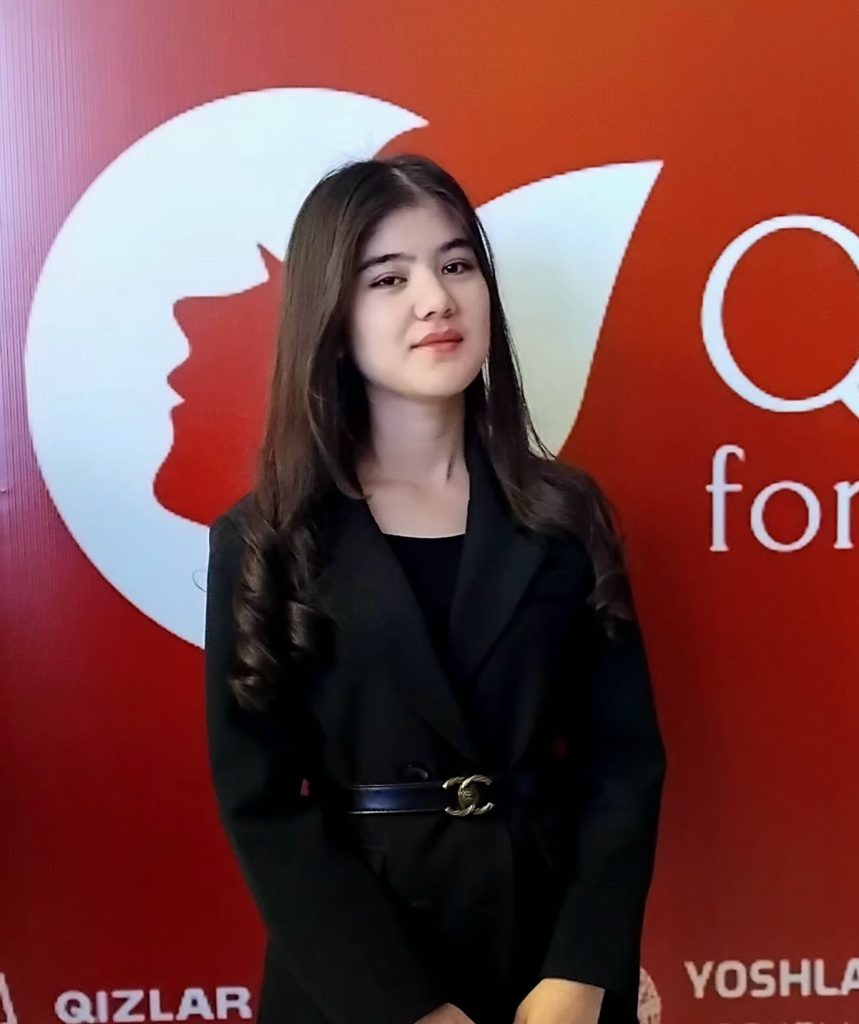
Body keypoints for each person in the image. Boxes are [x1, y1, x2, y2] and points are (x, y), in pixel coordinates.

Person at [204, 153, 667, 1024]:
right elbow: (259, 803)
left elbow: (624, 767)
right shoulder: (269, 537)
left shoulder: (564, 517)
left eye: (456, 265)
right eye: (389, 277)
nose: (435, 299)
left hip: (547, 965)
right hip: (358, 978)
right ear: (331, 318)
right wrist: (403, 1008)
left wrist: (577, 974)